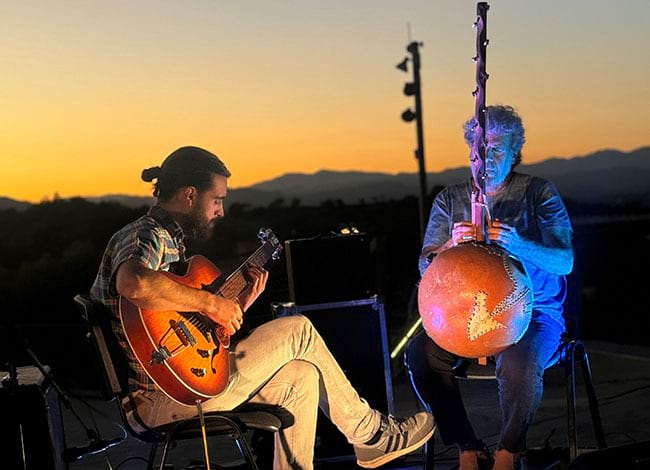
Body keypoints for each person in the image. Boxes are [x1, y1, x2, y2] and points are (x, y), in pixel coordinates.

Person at [90, 145, 434, 470]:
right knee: (298, 328)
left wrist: (233, 308)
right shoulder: (146, 235)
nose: (221, 211)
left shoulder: (170, 244)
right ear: (190, 194)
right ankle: (371, 435)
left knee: (301, 375)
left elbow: (174, 338)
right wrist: (212, 302)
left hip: (182, 385)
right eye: (217, 199)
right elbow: (133, 284)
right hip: (162, 402)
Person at [405, 105, 574, 470]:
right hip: (463, 315)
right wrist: (449, 247)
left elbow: (566, 262)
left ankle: (508, 452)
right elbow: (425, 263)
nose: (485, 159)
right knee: (422, 356)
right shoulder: (450, 200)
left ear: (515, 153)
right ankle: (467, 446)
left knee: (518, 364)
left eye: (496, 149)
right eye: (478, 150)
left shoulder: (538, 192)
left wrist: (520, 245)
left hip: (531, 313)